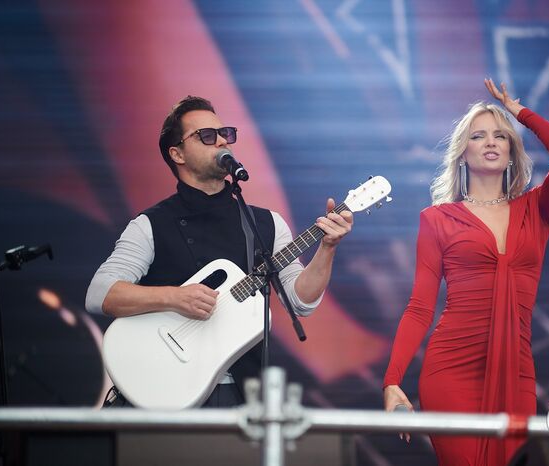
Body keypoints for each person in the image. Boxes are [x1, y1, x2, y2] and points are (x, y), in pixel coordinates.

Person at [85, 95, 353, 407]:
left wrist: (327, 247)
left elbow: (300, 301)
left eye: (225, 133)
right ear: (177, 154)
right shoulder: (150, 225)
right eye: (207, 136)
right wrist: (173, 297)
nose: (222, 141)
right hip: (166, 386)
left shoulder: (267, 223)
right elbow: (99, 293)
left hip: (239, 393)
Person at [382, 79, 549, 466]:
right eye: (478, 135)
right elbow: (420, 307)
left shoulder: (537, 210)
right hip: (450, 370)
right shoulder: (438, 219)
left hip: (516, 371)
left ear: (511, 151)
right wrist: (392, 381)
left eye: (500, 135)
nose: (491, 142)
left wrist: (519, 113)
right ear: (463, 153)